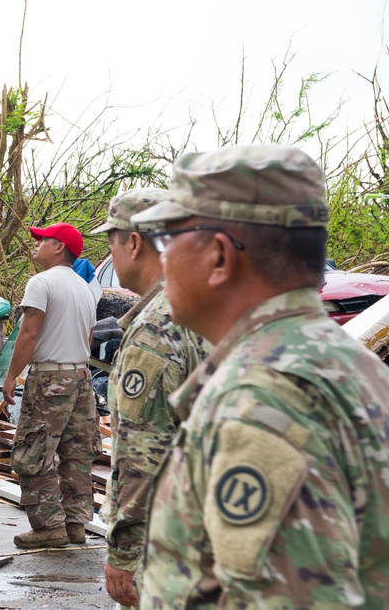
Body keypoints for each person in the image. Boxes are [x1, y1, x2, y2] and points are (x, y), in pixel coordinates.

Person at [130, 145, 389, 607]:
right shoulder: (358, 366)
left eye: (169, 241)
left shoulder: (257, 401)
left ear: (219, 257)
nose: (161, 261)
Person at [91, 189, 209, 608]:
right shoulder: (208, 308)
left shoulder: (154, 333)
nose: (112, 254)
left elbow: (144, 456)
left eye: (112, 242)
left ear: (134, 243)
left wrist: (124, 554)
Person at [1, 222, 98, 548]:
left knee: (34, 452)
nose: (36, 245)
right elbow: (88, 337)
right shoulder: (84, 287)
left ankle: (48, 528)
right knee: (77, 454)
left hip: (50, 377)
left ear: (59, 247)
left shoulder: (41, 283)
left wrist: (12, 374)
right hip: (81, 377)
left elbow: (28, 333)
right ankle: (76, 526)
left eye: (42, 240)